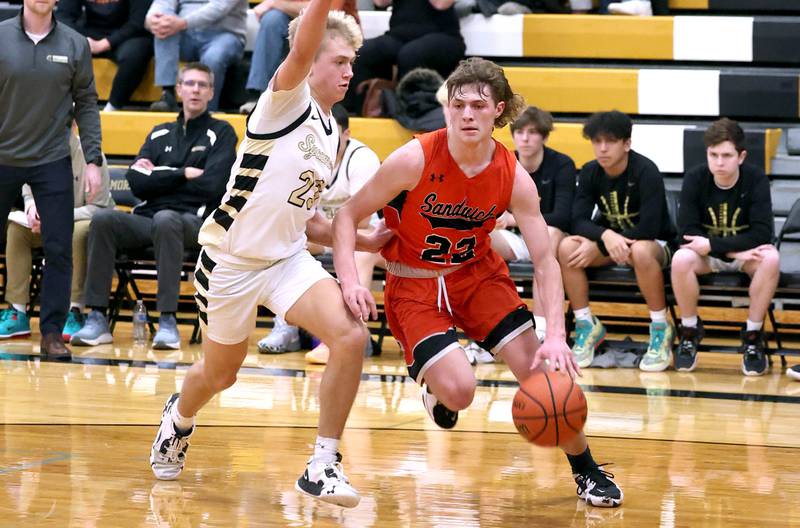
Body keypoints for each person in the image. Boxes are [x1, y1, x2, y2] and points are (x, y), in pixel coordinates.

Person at [333, 57, 623, 508]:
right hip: (414, 283)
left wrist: (557, 334)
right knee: (461, 391)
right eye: (458, 104)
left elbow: (546, 260)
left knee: (542, 377)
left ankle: (586, 470)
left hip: (478, 277)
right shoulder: (414, 158)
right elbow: (347, 216)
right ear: (447, 109)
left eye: (478, 106)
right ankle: (438, 384)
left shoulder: (513, 176)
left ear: (498, 111)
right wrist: (351, 282)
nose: (467, 114)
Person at [149, 5, 390, 508]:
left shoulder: (330, 131)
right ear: (311, 58)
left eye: (353, 63)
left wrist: (365, 242)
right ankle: (179, 416)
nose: (350, 72)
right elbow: (303, 42)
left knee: (349, 335)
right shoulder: (285, 100)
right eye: (340, 61)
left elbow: (306, 216)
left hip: (285, 259)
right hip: (231, 261)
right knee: (222, 374)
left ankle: (323, 464)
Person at [71, 63, 237, 350]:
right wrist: (182, 173)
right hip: (148, 219)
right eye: (189, 83)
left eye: (202, 85)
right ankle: (96, 317)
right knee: (104, 221)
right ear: (179, 90)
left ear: (211, 92)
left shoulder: (221, 132)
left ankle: (168, 321)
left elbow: (213, 184)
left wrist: (157, 173)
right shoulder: (160, 133)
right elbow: (136, 181)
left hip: (193, 222)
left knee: (166, 219)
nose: (195, 90)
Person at [0, 0, 104, 360]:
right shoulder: (0, 37)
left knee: (60, 249)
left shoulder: (75, 43)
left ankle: (52, 334)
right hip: (2, 157)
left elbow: (87, 103)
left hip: (52, 159)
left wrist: (92, 160)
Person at [258, 103, 383, 364]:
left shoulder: (362, 158)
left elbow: (362, 223)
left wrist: (324, 227)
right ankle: (285, 328)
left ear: (346, 135)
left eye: (332, 134)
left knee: (359, 252)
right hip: (326, 236)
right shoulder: (307, 156)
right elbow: (299, 220)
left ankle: (351, 331)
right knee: (288, 243)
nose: (325, 139)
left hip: (368, 240)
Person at [558, 111, 675, 372]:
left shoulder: (646, 171)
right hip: (614, 245)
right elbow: (576, 221)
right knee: (566, 248)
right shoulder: (590, 172)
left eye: (609, 141)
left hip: (656, 244)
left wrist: (602, 244)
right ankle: (586, 324)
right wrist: (605, 237)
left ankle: (660, 327)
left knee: (641, 252)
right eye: (596, 141)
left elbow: (650, 227)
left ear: (626, 144)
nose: (602, 148)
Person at [671, 118, 779, 376]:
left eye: (727, 155)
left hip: (738, 253)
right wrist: (728, 251)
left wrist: (715, 246)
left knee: (771, 258)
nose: (719, 162)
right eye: (713, 155)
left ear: (741, 157)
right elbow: (686, 234)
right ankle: (689, 332)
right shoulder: (696, 178)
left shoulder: (755, 179)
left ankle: (752, 336)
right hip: (708, 254)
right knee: (679, 259)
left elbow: (763, 232)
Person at [0, 129, 113, 342]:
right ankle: (17, 312)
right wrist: (30, 204)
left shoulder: (91, 157)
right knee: (17, 229)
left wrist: (59, 217)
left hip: (76, 222)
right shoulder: (35, 148)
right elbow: (26, 183)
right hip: (44, 225)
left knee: (77, 232)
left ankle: (74, 310)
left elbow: (100, 208)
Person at [491, 106, 575, 342]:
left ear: (544, 136)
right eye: (519, 132)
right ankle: (488, 327)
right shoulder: (503, 162)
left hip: (549, 236)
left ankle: (541, 329)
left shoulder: (561, 164)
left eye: (532, 132)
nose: (525, 138)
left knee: (547, 235)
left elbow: (563, 215)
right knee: (479, 239)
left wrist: (514, 218)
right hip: (515, 238)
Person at [342, 0, 465, 115]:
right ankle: (354, 114)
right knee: (364, 52)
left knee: (410, 55)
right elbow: (380, 2)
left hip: (442, 34)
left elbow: (440, 3)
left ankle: (409, 115)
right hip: (400, 35)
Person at [238, 0, 359, 114]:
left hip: (338, 33)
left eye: (350, 64)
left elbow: (329, 11)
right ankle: (257, 93)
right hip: (296, 30)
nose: (350, 73)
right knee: (272, 19)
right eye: (340, 63)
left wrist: (276, 3)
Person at [146, 0, 246, 111]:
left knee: (213, 57)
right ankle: (167, 94)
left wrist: (183, 23)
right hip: (185, 34)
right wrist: (152, 20)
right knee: (164, 26)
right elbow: (161, 4)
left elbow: (220, 7)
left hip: (223, 34)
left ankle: (207, 110)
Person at [56, 0, 154, 111]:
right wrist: (82, 40)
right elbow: (63, 16)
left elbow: (138, 22)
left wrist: (105, 44)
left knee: (137, 50)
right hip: (89, 34)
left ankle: (112, 107)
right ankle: (64, 105)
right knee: (61, 41)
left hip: (127, 36)